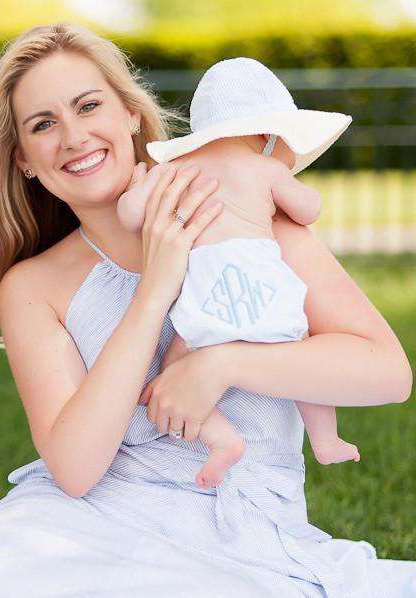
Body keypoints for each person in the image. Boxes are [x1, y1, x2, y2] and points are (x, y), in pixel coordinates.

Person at [0, 21, 415, 598]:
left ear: (130, 113)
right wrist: (154, 289)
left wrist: (222, 365)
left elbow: (388, 372)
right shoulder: (33, 287)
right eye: (43, 124)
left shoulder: (240, 214)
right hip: (89, 527)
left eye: (88, 106)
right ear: (25, 159)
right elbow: (77, 470)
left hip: (248, 531)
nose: (74, 137)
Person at [118, 57, 361, 490]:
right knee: (301, 356)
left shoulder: (176, 170)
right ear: (268, 134)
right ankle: (326, 440)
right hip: (262, 293)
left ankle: (221, 440)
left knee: (168, 375)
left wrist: (137, 188)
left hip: (203, 302)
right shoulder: (266, 169)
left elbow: (131, 215)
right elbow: (307, 210)